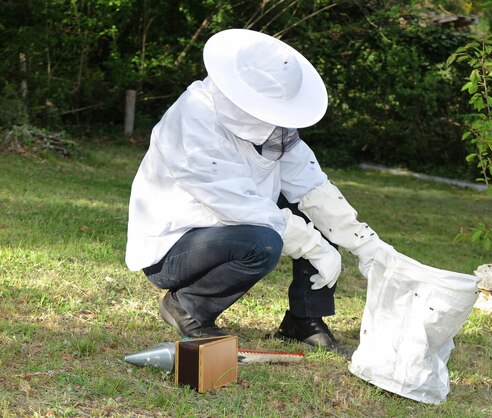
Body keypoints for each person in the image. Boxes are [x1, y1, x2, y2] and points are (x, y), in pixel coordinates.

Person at [125, 29, 383, 358]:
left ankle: (303, 321)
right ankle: (188, 306)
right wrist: (313, 245)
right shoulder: (192, 121)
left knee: (313, 209)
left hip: (231, 223)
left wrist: (368, 244)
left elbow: (310, 184)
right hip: (174, 248)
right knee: (263, 242)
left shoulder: (273, 129)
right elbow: (238, 207)